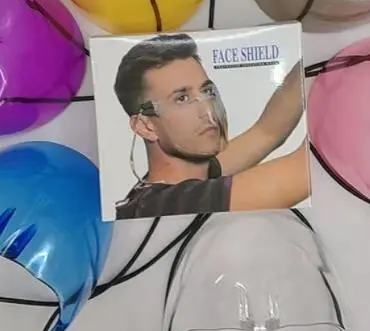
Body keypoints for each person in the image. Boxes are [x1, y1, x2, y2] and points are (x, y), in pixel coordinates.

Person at [112, 33, 310, 218]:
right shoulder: (166, 207)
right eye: (182, 98)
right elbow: (304, 171)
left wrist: (311, 60)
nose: (207, 111)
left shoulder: (175, 186)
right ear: (145, 126)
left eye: (206, 91)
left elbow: (267, 132)